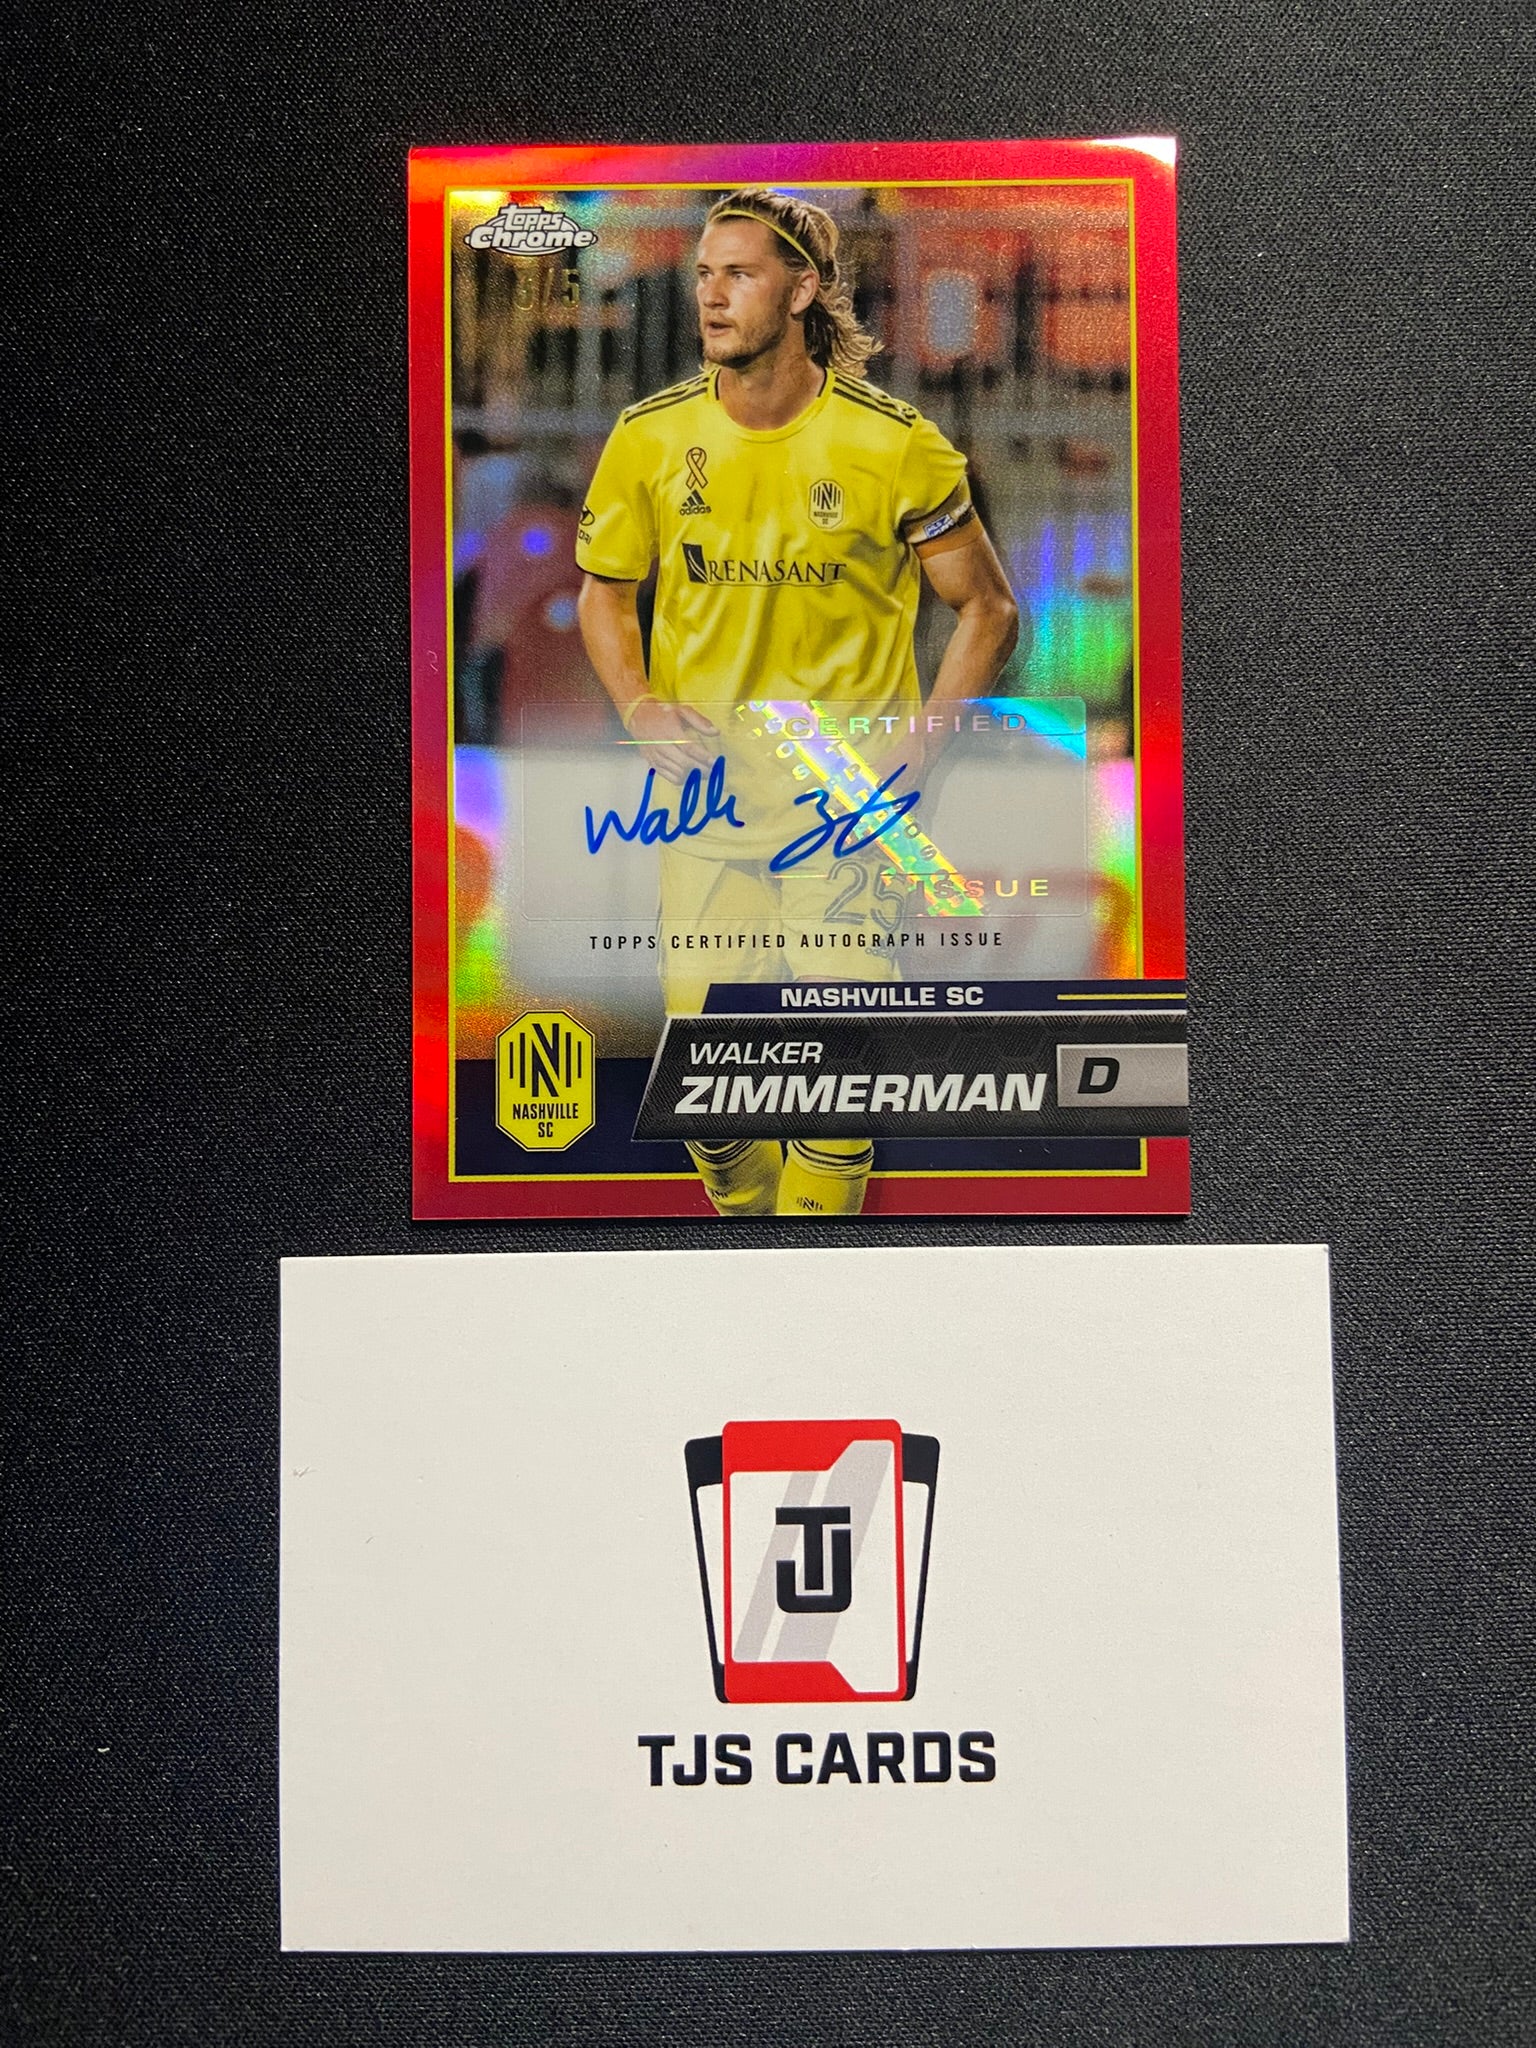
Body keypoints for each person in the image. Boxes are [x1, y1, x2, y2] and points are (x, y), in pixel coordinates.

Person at [576, 187, 1019, 1217]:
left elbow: (989, 609)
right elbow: (604, 595)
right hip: (708, 812)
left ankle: (815, 1266)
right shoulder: (649, 439)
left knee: (833, 1089)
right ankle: (751, 1235)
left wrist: (923, 742)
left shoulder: (895, 444)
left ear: (804, 288)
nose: (711, 294)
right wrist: (638, 705)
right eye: (703, 274)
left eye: (739, 273)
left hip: (844, 814)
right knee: (712, 1099)